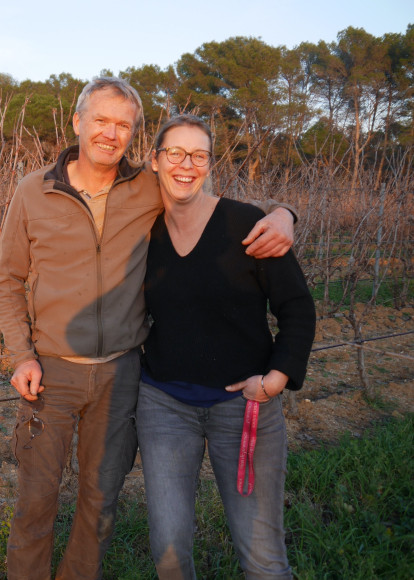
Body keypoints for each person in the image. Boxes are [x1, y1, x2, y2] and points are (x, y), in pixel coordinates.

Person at [0, 77, 296, 580]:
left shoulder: (147, 187)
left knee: (100, 500)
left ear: (134, 135)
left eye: (123, 125)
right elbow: (7, 279)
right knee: (36, 500)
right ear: (77, 122)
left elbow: (208, 203)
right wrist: (21, 354)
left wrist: (283, 214)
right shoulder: (33, 190)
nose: (110, 134)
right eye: (101, 120)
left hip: (122, 374)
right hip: (51, 372)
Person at [137, 114, 316, 580]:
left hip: (244, 404)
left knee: (262, 558)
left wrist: (277, 378)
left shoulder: (246, 223)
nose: (186, 165)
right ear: (154, 160)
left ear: (210, 164)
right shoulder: (142, 229)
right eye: (175, 153)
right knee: (168, 553)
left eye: (199, 155)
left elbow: (297, 305)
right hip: (164, 405)